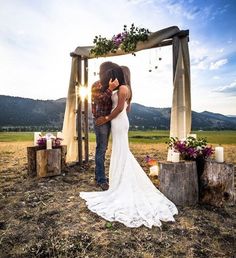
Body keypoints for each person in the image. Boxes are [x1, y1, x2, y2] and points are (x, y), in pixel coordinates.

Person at [80, 65, 178, 228]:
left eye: (117, 73)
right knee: (107, 149)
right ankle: (104, 179)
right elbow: (99, 100)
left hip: (114, 120)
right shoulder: (99, 85)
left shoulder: (123, 88)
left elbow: (119, 108)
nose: (114, 75)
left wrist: (107, 116)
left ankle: (117, 181)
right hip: (105, 119)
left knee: (120, 151)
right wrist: (109, 96)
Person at [91, 61, 120, 191]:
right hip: (100, 121)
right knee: (101, 149)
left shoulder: (111, 83)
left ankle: (99, 176)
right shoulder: (96, 84)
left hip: (109, 120)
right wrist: (111, 89)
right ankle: (101, 179)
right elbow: (100, 99)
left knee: (103, 148)